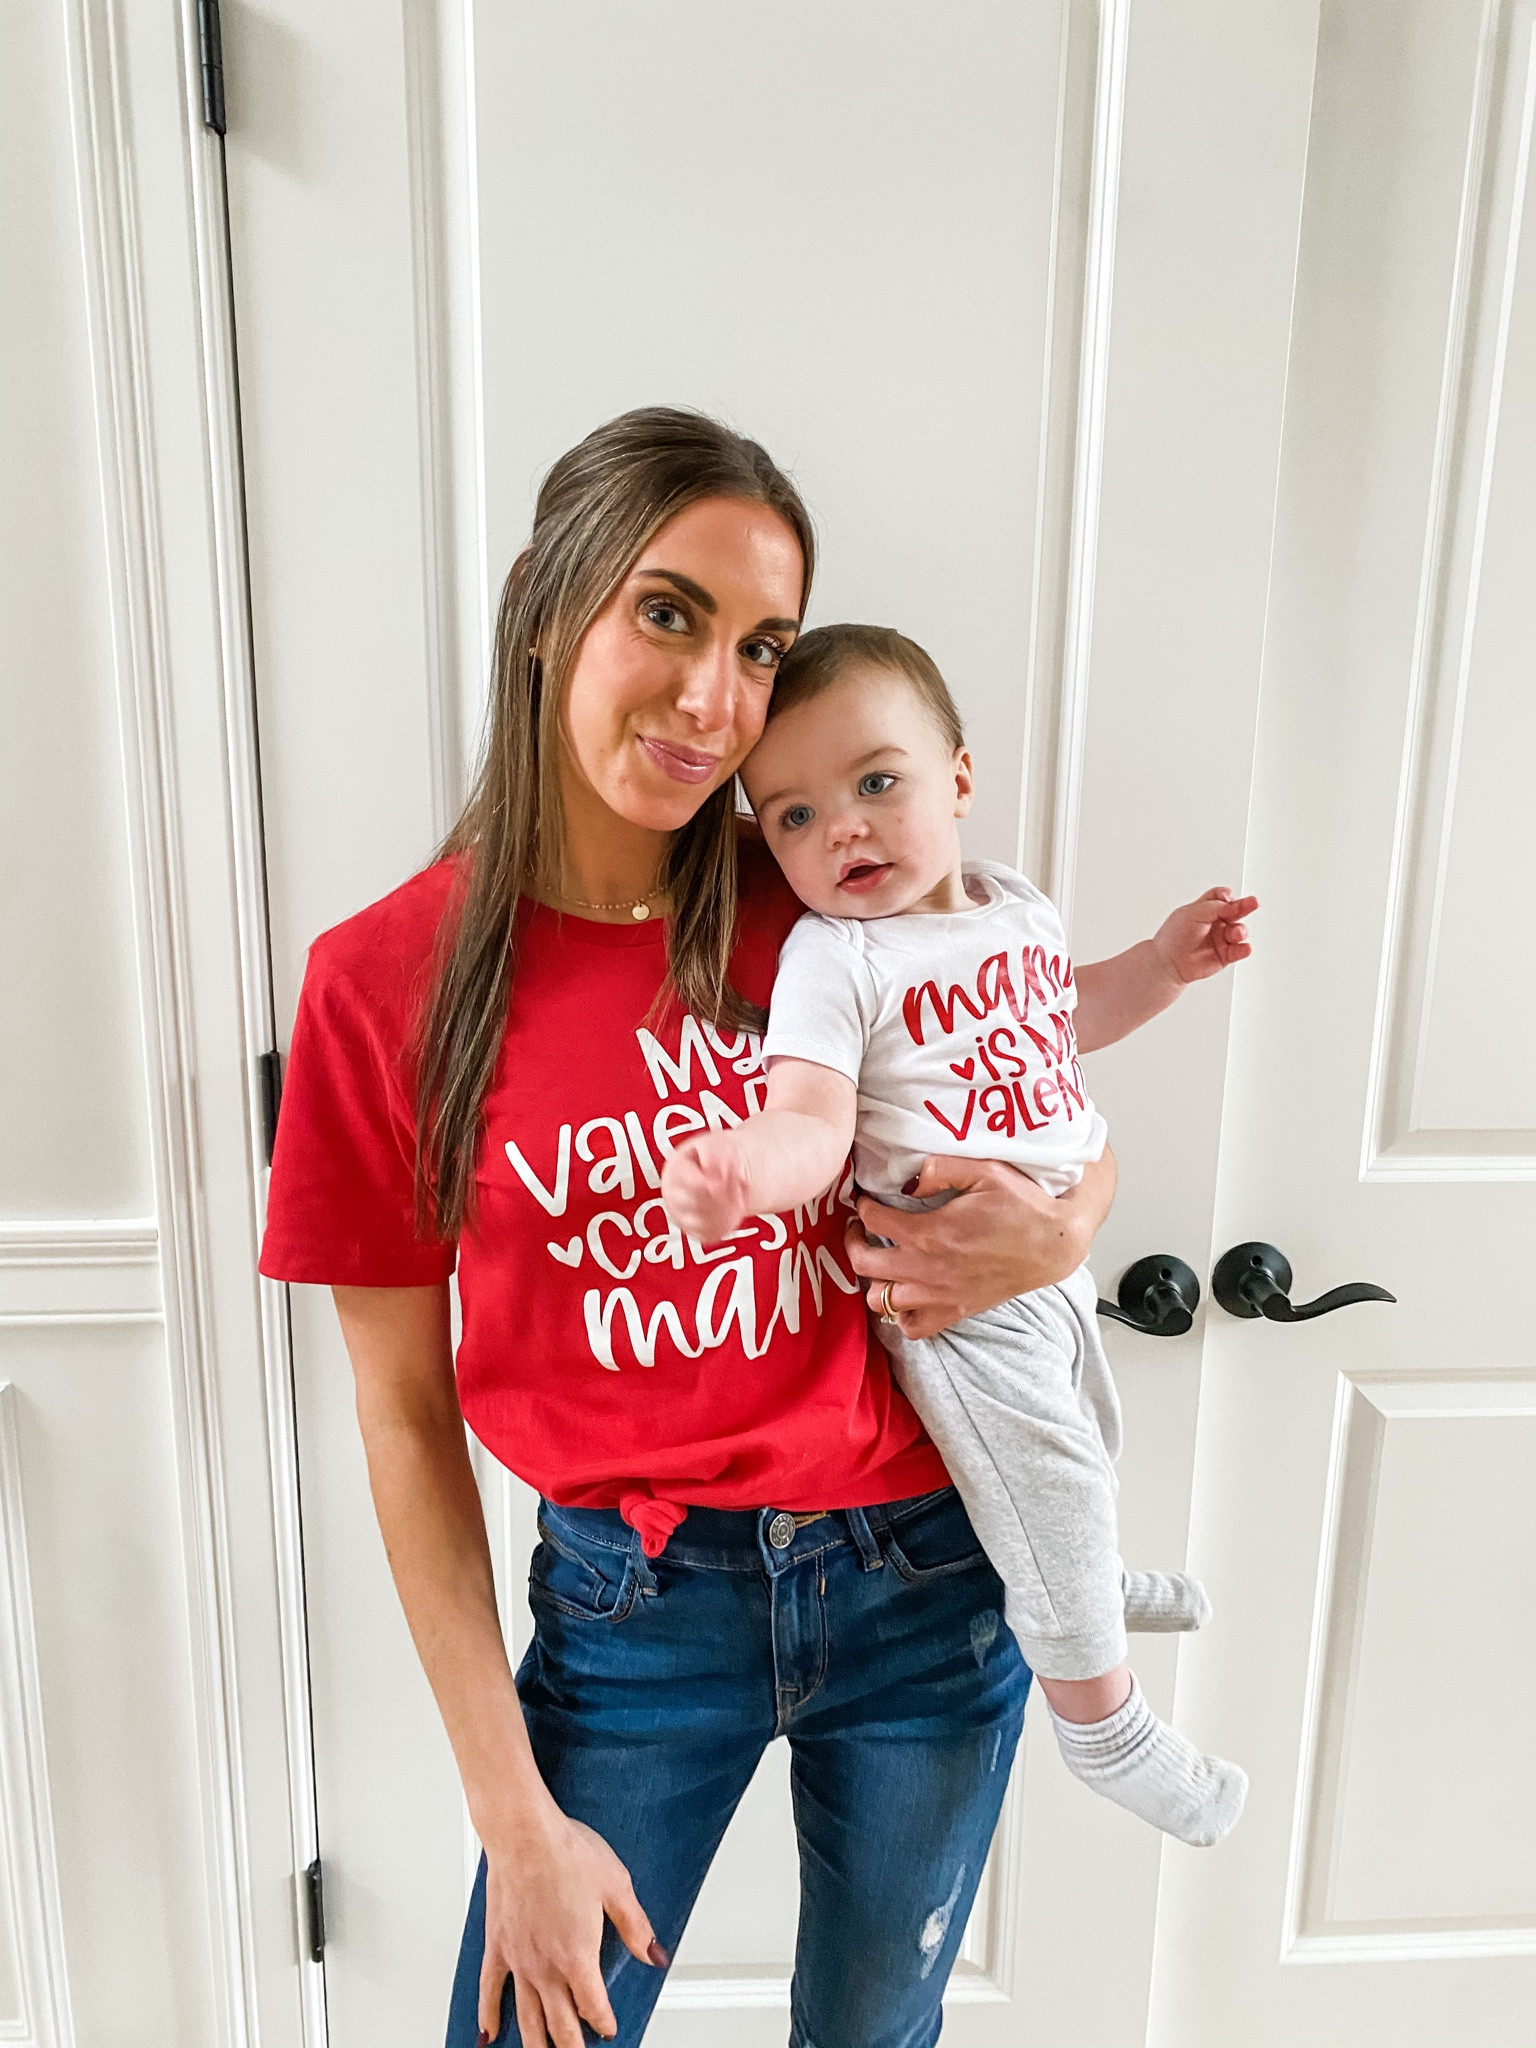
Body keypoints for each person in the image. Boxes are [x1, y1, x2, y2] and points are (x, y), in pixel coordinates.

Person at [261, 409, 1130, 2048]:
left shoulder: (822, 884)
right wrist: (512, 1813)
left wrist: (1067, 1224)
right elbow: (398, 1407)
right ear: (546, 601)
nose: (716, 694)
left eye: (762, 644)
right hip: (634, 1612)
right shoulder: (382, 980)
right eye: (668, 612)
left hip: (924, 1572)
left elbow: (1039, 1089)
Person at [663, 623, 1254, 1846]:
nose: (844, 832)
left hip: (1044, 1247)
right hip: (954, 1282)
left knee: (1085, 1430)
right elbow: (813, 1116)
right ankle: (1106, 1723)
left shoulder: (1014, 908)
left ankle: (1079, 1576)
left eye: (877, 783)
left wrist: (1161, 960)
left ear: (960, 779)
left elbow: (1067, 1009)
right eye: (794, 816)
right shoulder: (838, 958)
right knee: (1040, 1468)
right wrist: (742, 1173)